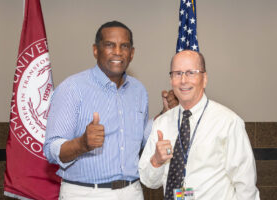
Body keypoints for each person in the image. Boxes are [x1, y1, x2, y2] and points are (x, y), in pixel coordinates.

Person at [44, 21, 177, 200]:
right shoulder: (72, 88)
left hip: (132, 191)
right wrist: (82, 144)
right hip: (85, 193)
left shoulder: (138, 90)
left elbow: (143, 138)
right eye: (109, 45)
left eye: (124, 46)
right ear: (95, 50)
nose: (117, 51)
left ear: (132, 53)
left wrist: (164, 114)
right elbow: (51, 149)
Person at [139, 50, 260, 200]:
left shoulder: (228, 122)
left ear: (204, 79)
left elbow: (245, 186)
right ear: (171, 80)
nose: (183, 80)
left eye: (191, 72)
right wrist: (156, 161)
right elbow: (148, 182)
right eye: (177, 73)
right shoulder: (162, 124)